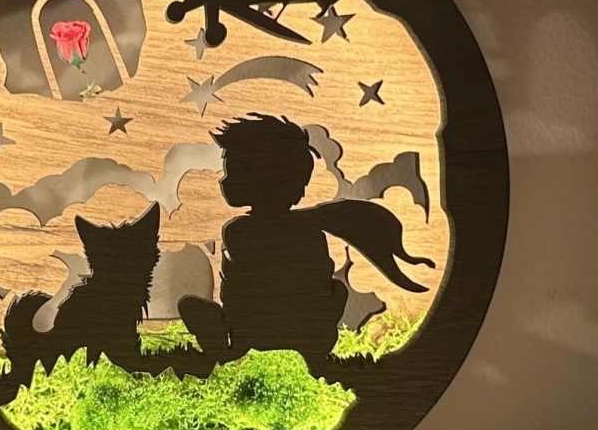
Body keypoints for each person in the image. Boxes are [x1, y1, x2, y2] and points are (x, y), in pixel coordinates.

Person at [179, 114, 434, 372]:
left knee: (191, 307)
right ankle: (314, 355)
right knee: (339, 290)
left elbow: (241, 291)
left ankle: (225, 350)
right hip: (308, 335)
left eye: (232, 171)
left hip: (250, 333)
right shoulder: (310, 230)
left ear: (260, 178)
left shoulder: (238, 231)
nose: (223, 180)